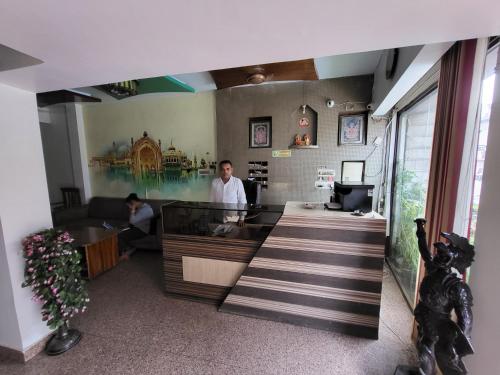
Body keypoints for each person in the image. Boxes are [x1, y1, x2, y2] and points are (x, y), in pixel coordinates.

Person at [210, 160, 247, 226]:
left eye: (228, 169)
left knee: (232, 235)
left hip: (233, 218)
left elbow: (242, 200)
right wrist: (209, 214)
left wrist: (242, 218)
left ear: (231, 170)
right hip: (217, 218)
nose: (225, 172)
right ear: (220, 170)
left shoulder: (237, 182)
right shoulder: (214, 182)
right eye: (222, 169)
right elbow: (212, 200)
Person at [118, 193, 154, 259]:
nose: (129, 207)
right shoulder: (141, 207)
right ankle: (128, 249)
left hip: (142, 231)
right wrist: (128, 225)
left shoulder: (146, 210)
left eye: (129, 205)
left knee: (120, 235)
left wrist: (133, 210)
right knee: (119, 231)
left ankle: (127, 250)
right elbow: (133, 221)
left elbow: (132, 221)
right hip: (136, 227)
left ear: (133, 202)